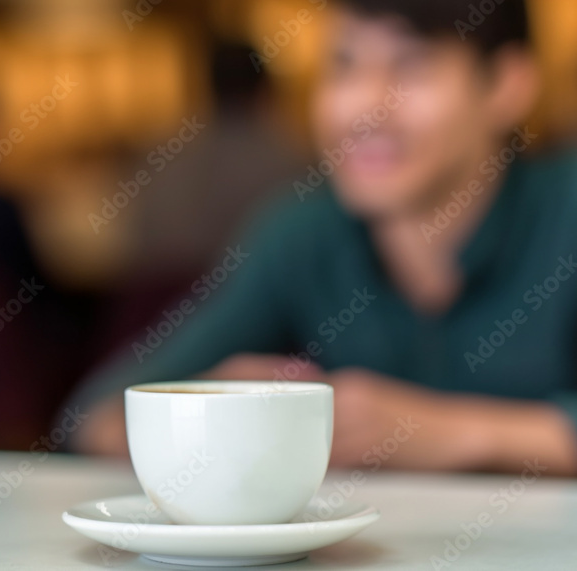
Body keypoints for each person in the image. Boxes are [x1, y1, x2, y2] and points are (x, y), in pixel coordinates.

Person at [66, 0, 577, 476]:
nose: (364, 107)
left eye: (411, 67)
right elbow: (93, 415)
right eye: (343, 65)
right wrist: (212, 411)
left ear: (507, 86)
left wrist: (451, 432)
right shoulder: (303, 232)